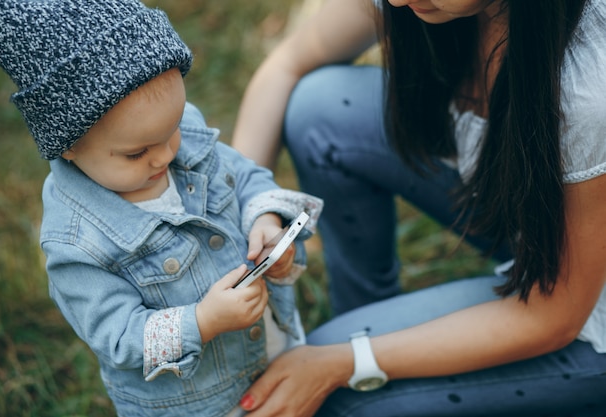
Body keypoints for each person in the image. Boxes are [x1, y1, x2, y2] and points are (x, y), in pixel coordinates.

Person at [231, 0, 606, 415]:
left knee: (337, 384)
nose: (396, 1)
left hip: (584, 313)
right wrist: (247, 214)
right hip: (530, 215)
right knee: (319, 108)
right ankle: (366, 318)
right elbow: (287, 65)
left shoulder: (589, 77)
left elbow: (556, 315)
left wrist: (347, 362)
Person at [0, 1, 323, 416]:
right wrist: (202, 321)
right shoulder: (76, 241)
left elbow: (245, 176)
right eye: (137, 152)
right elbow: (119, 336)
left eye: (173, 128)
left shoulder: (171, 136)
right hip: (196, 404)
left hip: (273, 350)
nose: (164, 157)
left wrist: (266, 219)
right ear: (69, 147)